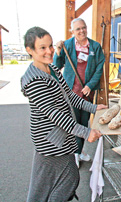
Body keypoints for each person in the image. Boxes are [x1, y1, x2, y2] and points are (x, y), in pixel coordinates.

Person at [21, 26, 107, 201]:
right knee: (62, 181)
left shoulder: (51, 68)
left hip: (61, 138)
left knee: (48, 184)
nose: (49, 51)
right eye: (42, 47)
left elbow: (70, 97)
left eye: (51, 45)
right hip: (50, 141)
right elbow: (55, 114)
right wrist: (85, 132)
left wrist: (93, 108)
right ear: (29, 50)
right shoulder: (34, 80)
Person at [53, 18, 105, 167]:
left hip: (87, 92)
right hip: (71, 91)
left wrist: (90, 85)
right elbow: (57, 66)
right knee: (73, 122)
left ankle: (80, 151)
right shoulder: (67, 45)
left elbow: (99, 68)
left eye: (83, 28)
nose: (81, 31)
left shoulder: (94, 46)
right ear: (72, 31)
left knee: (84, 121)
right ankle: (74, 153)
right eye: (78, 29)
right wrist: (58, 52)